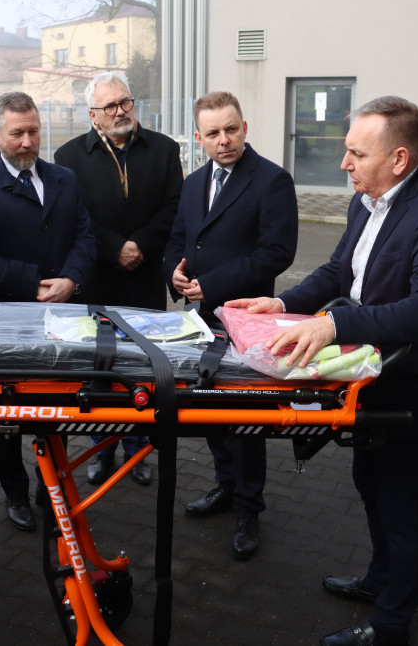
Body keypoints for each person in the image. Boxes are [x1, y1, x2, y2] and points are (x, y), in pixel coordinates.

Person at [226, 96, 418, 646]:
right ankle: (381, 581)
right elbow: (340, 269)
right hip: (370, 386)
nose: (345, 164)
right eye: (347, 151)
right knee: (372, 488)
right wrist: (282, 303)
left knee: (404, 511)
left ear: (399, 159)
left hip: (415, 395)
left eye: (357, 154)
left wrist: (334, 325)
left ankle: (390, 627)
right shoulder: (367, 201)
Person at [162, 91, 298, 561]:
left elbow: (276, 253)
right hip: (199, 319)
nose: (224, 140)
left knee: (245, 416)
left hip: (246, 320)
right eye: (214, 133)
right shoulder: (194, 182)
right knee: (210, 409)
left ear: (245, 128)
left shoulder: (272, 181)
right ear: (198, 138)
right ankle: (225, 486)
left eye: (231, 129)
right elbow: (178, 239)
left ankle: (248, 510)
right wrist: (172, 274)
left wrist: (213, 284)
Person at [0, 92, 96, 531]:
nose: (27, 142)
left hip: (63, 316)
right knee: (7, 413)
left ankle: (49, 488)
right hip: (7, 321)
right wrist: (34, 283)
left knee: (57, 407)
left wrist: (71, 279)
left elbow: (85, 237)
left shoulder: (65, 179)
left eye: (33, 131)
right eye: (17, 133)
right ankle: (14, 492)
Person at [54, 71, 183, 486]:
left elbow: (175, 206)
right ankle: (102, 447)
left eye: (125, 102)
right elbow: (75, 216)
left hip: (144, 277)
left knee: (144, 366)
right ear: (93, 115)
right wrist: (114, 248)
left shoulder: (164, 149)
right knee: (100, 369)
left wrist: (141, 243)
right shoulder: (68, 156)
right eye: (109, 106)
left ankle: (138, 449)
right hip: (98, 278)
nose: (120, 111)